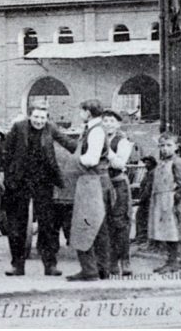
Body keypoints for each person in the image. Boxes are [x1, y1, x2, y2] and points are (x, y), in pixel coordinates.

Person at [0, 103, 69, 277]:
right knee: (17, 225)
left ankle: (50, 265)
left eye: (42, 118)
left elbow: (68, 143)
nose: (39, 121)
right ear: (30, 116)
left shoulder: (51, 128)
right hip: (20, 183)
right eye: (36, 117)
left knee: (47, 225)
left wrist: (88, 147)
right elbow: (5, 149)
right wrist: (7, 170)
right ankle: (17, 266)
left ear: (47, 118)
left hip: (43, 181)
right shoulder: (18, 127)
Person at [64, 99, 113, 282]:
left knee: (84, 225)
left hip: (93, 182)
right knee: (99, 227)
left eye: (81, 111)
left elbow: (91, 159)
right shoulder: (94, 129)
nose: (80, 114)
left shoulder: (96, 131)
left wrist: (76, 159)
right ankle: (102, 269)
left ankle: (90, 271)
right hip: (96, 182)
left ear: (88, 112)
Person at [149, 133, 181, 274]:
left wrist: (175, 198)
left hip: (170, 200)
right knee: (164, 231)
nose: (165, 149)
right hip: (160, 200)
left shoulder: (177, 162)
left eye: (169, 145)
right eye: (162, 146)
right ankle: (169, 260)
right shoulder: (161, 162)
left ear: (176, 147)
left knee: (171, 231)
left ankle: (173, 262)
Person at [103, 109, 134, 276]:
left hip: (117, 184)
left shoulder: (122, 141)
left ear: (118, 124)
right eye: (105, 120)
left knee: (120, 223)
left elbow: (119, 163)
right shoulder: (96, 138)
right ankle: (112, 261)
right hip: (102, 185)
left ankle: (125, 260)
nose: (108, 124)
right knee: (106, 224)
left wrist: (106, 149)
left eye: (111, 121)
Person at [134, 155, 157, 247]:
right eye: (145, 163)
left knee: (142, 217)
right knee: (140, 217)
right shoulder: (148, 173)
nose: (146, 165)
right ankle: (140, 238)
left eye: (148, 163)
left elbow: (148, 189)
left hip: (147, 201)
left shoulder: (152, 173)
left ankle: (142, 239)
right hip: (145, 200)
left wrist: (141, 200)